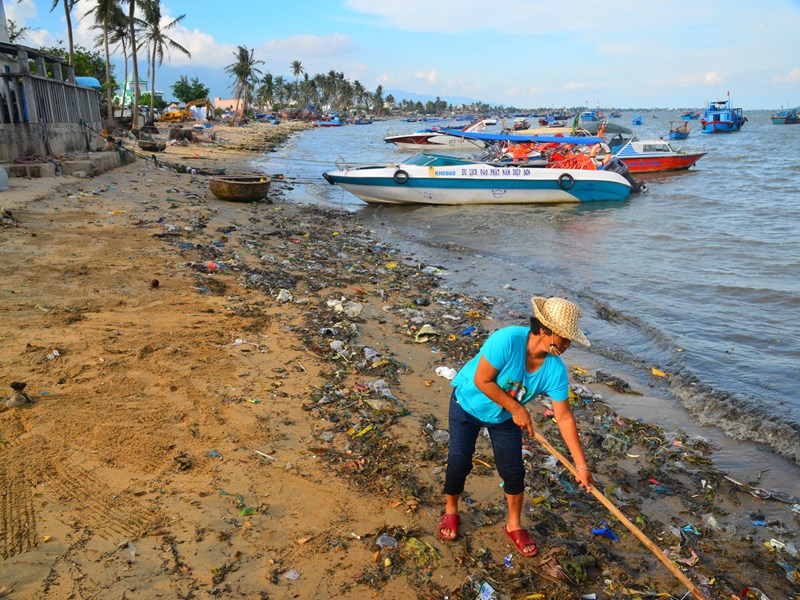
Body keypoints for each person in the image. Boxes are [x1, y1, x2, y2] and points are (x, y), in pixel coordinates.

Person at [436, 296, 595, 557]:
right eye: (565, 338)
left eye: (570, 340)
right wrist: (517, 409)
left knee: (513, 472)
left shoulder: (555, 370)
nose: (568, 345)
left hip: (503, 417)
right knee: (459, 460)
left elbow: (565, 417)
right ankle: (451, 510)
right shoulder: (507, 340)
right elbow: (482, 380)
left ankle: (514, 525)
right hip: (467, 404)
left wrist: (581, 466)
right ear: (544, 330)